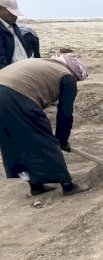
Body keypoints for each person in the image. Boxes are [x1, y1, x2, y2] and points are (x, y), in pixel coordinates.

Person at [0, 56, 91, 196]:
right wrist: (61, 140)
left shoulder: (46, 63)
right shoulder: (67, 76)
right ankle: (67, 185)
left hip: (6, 92)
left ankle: (36, 185)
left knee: (13, 140)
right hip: (15, 96)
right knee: (44, 139)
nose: (76, 83)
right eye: (77, 80)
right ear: (75, 74)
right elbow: (65, 114)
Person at [0, 0, 27, 69]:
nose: (15, 17)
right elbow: (1, 60)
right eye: (11, 13)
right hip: (10, 75)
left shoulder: (13, 26)